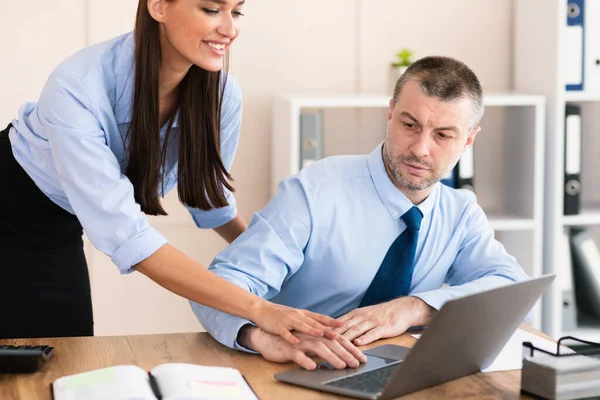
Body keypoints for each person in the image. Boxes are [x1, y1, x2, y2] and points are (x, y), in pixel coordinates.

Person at [0, 0, 342, 342]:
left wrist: (284, 272)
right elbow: (129, 238)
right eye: (211, 9)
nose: (230, 29)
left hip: (60, 227)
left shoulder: (222, 96)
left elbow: (207, 198)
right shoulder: (77, 87)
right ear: (159, 7)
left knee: (63, 357)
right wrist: (258, 308)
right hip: (10, 201)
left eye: (236, 12)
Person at [192, 56, 531, 370]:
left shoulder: (460, 213)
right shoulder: (315, 191)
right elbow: (217, 285)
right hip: (295, 369)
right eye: (410, 125)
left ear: (469, 140)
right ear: (390, 114)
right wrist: (262, 337)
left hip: (398, 376)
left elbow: (511, 287)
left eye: (443, 135)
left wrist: (414, 307)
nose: (420, 148)